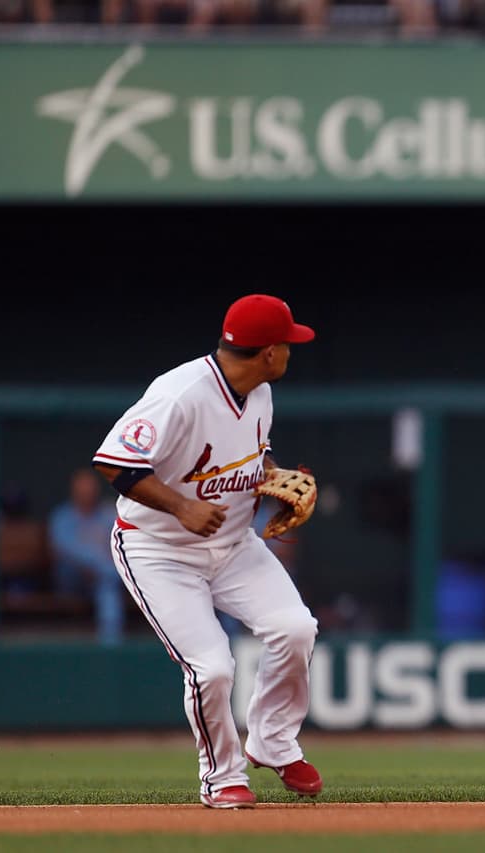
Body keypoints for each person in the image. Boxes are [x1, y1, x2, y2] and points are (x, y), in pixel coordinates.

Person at [91, 294, 321, 810]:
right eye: (287, 344)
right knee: (212, 668)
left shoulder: (259, 392)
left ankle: (273, 742)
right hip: (159, 551)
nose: (290, 352)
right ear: (267, 353)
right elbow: (113, 464)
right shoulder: (179, 395)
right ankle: (222, 777)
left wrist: (276, 480)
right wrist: (181, 508)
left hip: (234, 545)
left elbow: (250, 458)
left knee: (295, 628)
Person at [48, 468, 125, 645]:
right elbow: (65, 550)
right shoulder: (62, 516)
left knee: (107, 584)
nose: (86, 493)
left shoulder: (107, 514)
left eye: (90, 489)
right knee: (107, 574)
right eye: (82, 489)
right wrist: (97, 563)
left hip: (101, 579)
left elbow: (121, 543)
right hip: (71, 577)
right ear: (74, 491)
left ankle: (110, 643)